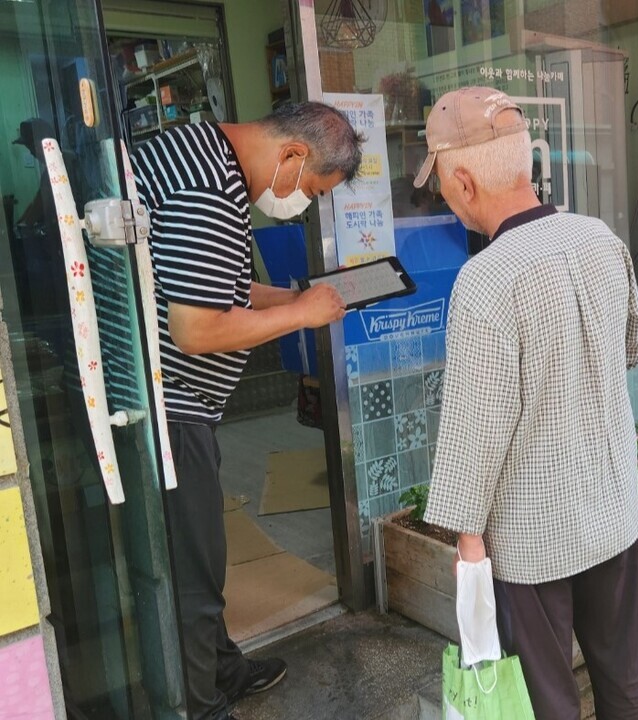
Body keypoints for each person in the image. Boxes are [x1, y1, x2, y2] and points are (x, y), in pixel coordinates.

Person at [417, 87, 638, 720]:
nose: (442, 193)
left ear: (463, 181)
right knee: (625, 680)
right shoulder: (602, 239)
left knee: (545, 700)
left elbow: (476, 427)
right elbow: (632, 347)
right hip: (612, 506)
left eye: (438, 179)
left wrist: (469, 544)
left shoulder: (486, 279)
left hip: (533, 530)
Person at [131, 102, 363, 720]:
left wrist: (292, 296)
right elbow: (198, 328)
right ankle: (202, 705)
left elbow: (216, 285)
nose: (302, 202)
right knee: (192, 567)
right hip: (168, 405)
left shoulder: (201, 152)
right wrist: (302, 315)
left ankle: (220, 667)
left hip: (169, 402)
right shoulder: (209, 189)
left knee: (199, 556)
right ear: (292, 155)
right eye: (311, 189)